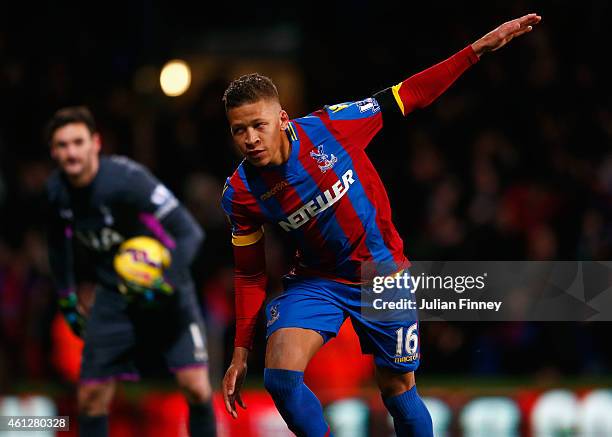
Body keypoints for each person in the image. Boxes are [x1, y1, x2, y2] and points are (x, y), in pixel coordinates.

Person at [220, 13, 541, 437]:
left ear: (281, 119)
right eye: (239, 130)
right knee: (280, 377)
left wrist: (476, 51)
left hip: (382, 273)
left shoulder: (332, 127)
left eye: (258, 125)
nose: (250, 139)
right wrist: (241, 351)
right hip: (317, 280)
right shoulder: (240, 192)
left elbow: (410, 94)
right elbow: (249, 271)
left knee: (398, 390)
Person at [45, 106, 216, 437]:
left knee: (195, 386)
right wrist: (66, 296)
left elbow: (190, 232)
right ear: (54, 152)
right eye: (62, 145)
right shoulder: (56, 192)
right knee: (90, 397)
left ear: (95, 143)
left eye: (78, 142)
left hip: (166, 292)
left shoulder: (127, 179)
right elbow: (57, 245)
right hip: (114, 297)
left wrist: (165, 281)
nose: (71, 152)